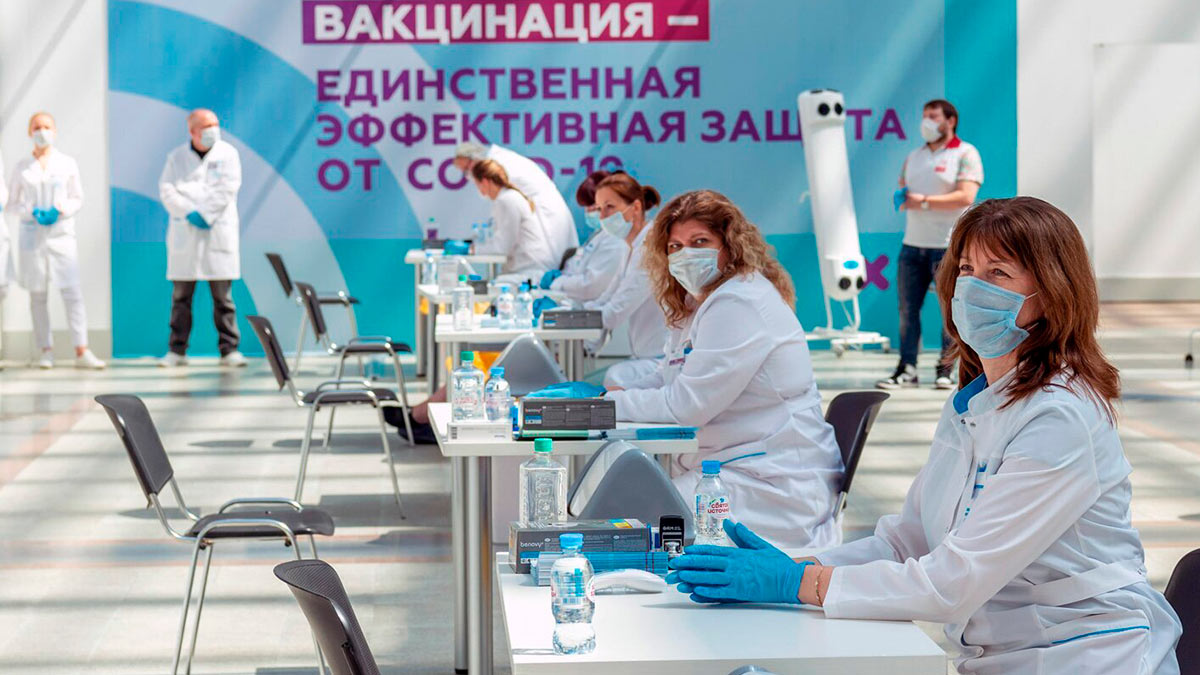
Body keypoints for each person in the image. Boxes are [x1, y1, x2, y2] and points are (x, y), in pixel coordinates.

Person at [667, 197, 1182, 674]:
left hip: (1087, 655)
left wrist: (795, 583)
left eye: (998, 273)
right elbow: (906, 542)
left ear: (1050, 293)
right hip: (1005, 654)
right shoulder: (975, 404)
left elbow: (952, 583)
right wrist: (799, 564)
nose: (972, 289)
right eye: (966, 270)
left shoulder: (1062, 418)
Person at [605, 190, 843, 549]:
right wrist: (613, 396)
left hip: (771, 483)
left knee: (633, 519)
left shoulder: (739, 303)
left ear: (729, 246)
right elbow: (670, 375)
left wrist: (603, 406)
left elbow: (686, 406)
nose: (686, 254)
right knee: (628, 508)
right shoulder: (700, 302)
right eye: (675, 247)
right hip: (734, 468)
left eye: (700, 242)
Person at [878, 98, 983, 391]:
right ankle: (907, 368)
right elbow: (903, 189)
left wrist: (923, 201)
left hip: (948, 246)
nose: (927, 122)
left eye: (933, 116)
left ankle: (946, 369)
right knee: (907, 310)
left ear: (950, 121)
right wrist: (903, 198)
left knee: (950, 310)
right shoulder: (914, 156)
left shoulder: (965, 153)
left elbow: (966, 196)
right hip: (912, 245)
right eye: (924, 115)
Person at [7, 112, 105, 369]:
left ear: (55, 130)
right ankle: (46, 350)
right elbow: (12, 204)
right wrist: (31, 212)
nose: (42, 131)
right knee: (38, 295)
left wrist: (59, 210)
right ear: (30, 132)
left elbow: (77, 198)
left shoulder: (67, 163)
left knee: (72, 292)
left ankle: (82, 350)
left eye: (47, 126)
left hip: (61, 235)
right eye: (37, 127)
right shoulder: (21, 167)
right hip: (32, 236)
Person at [157, 109, 246, 367]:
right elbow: (167, 190)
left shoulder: (228, 154)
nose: (213, 129)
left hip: (217, 232)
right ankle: (177, 350)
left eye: (215, 124)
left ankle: (229, 349)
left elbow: (228, 188)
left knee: (223, 299)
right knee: (181, 298)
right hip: (186, 234)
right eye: (207, 125)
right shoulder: (176, 157)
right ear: (193, 131)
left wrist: (206, 213)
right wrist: (188, 211)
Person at [584, 172, 668, 388]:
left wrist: (577, 318)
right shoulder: (629, 246)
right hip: (645, 354)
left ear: (636, 207)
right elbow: (608, 298)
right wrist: (577, 313)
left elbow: (614, 313)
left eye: (609, 207)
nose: (603, 216)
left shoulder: (650, 249)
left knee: (614, 380)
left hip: (662, 358)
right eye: (599, 208)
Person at [455, 142, 577, 267]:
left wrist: (472, 249)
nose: (468, 176)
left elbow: (501, 246)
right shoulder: (507, 193)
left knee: (555, 263)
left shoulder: (507, 197)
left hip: (547, 223)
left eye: (466, 169)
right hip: (534, 248)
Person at [537, 169, 626, 303]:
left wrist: (557, 282)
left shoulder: (615, 238)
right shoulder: (599, 235)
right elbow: (579, 272)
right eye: (586, 206)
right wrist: (561, 278)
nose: (589, 211)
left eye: (594, 206)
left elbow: (591, 286)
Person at [470, 159, 557, 276]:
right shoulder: (508, 198)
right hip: (524, 269)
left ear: (485, 182)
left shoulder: (507, 200)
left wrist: (473, 250)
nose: (479, 190)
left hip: (528, 271)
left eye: (477, 184)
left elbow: (502, 247)